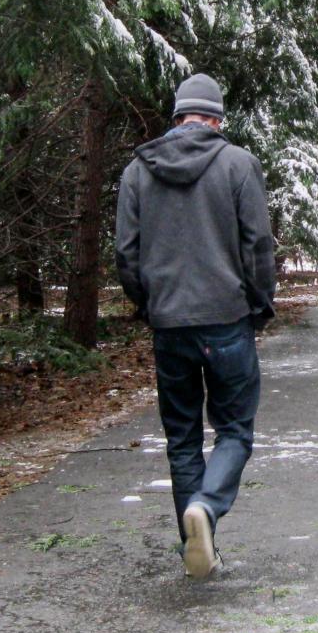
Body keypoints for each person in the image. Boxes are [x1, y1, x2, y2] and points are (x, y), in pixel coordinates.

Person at [115, 73, 276, 578]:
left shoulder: (137, 173)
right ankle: (205, 507)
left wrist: (150, 305)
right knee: (234, 431)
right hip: (227, 319)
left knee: (182, 438)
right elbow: (257, 244)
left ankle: (196, 549)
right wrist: (260, 304)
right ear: (217, 120)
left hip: (169, 323)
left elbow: (126, 254)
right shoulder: (238, 164)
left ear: (178, 117)